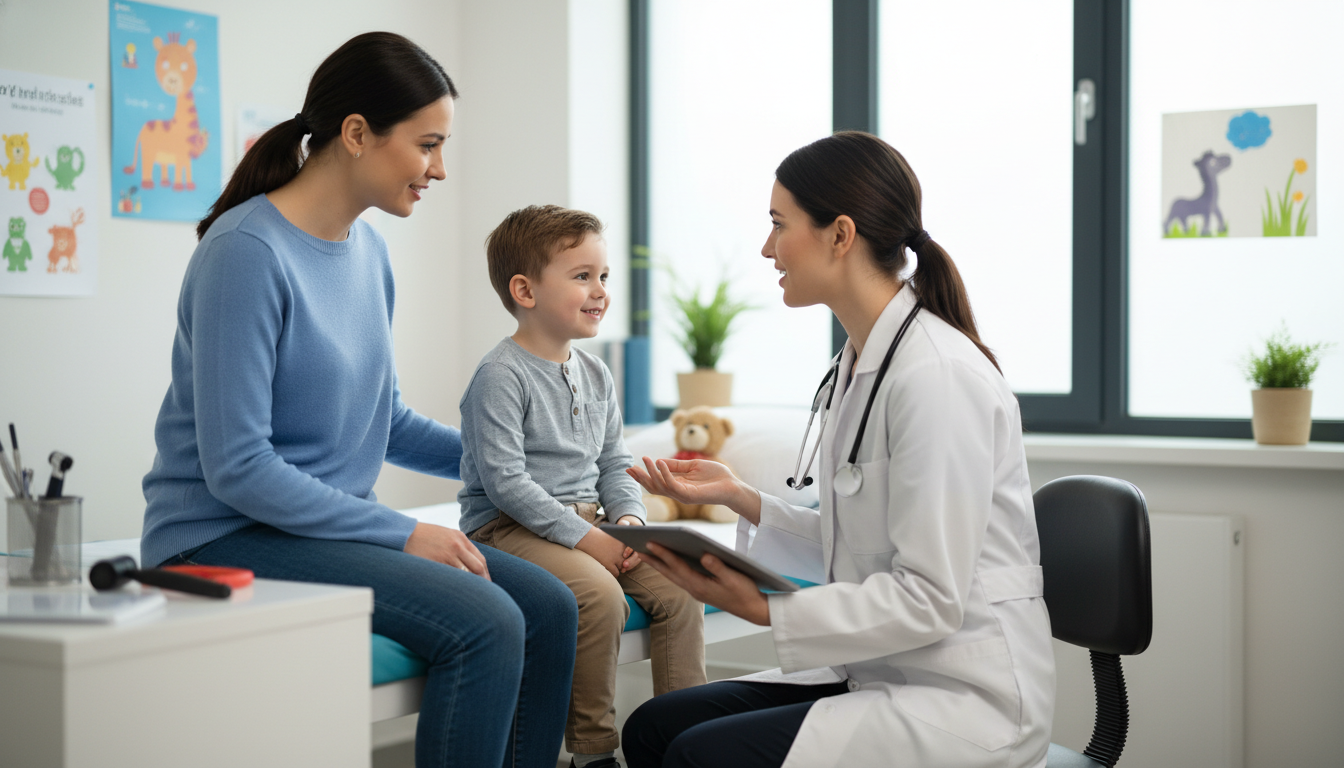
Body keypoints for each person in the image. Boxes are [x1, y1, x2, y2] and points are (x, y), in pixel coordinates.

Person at [140, 33, 577, 768]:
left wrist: (515, 459)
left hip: (318, 531)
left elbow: (386, 420)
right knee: (488, 623)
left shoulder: (368, 252)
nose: (440, 169)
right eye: (427, 145)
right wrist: (401, 531)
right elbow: (238, 467)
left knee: (551, 606)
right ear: (355, 134)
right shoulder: (245, 253)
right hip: (218, 533)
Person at [621, 131, 1055, 768]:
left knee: (697, 755)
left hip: (963, 696)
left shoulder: (935, 377)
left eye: (778, 224)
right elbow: (857, 540)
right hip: (887, 669)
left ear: (840, 235)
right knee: (654, 729)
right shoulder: (862, 365)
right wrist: (739, 498)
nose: (767, 248)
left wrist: (764, 608)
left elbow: (930, 597)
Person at [458, 205, 707, 768]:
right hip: (507, 528)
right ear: (525, 290)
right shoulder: (500, 375)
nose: (599, 290)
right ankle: (594, 752)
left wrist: (629, 522)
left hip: (591, 522)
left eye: (603, 277)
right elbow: (506, 484)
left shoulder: (595, 372)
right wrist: (588, 541)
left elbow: (613, 461)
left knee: (681, 589)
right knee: (598, 597)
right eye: (581, 276)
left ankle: (684, 741)